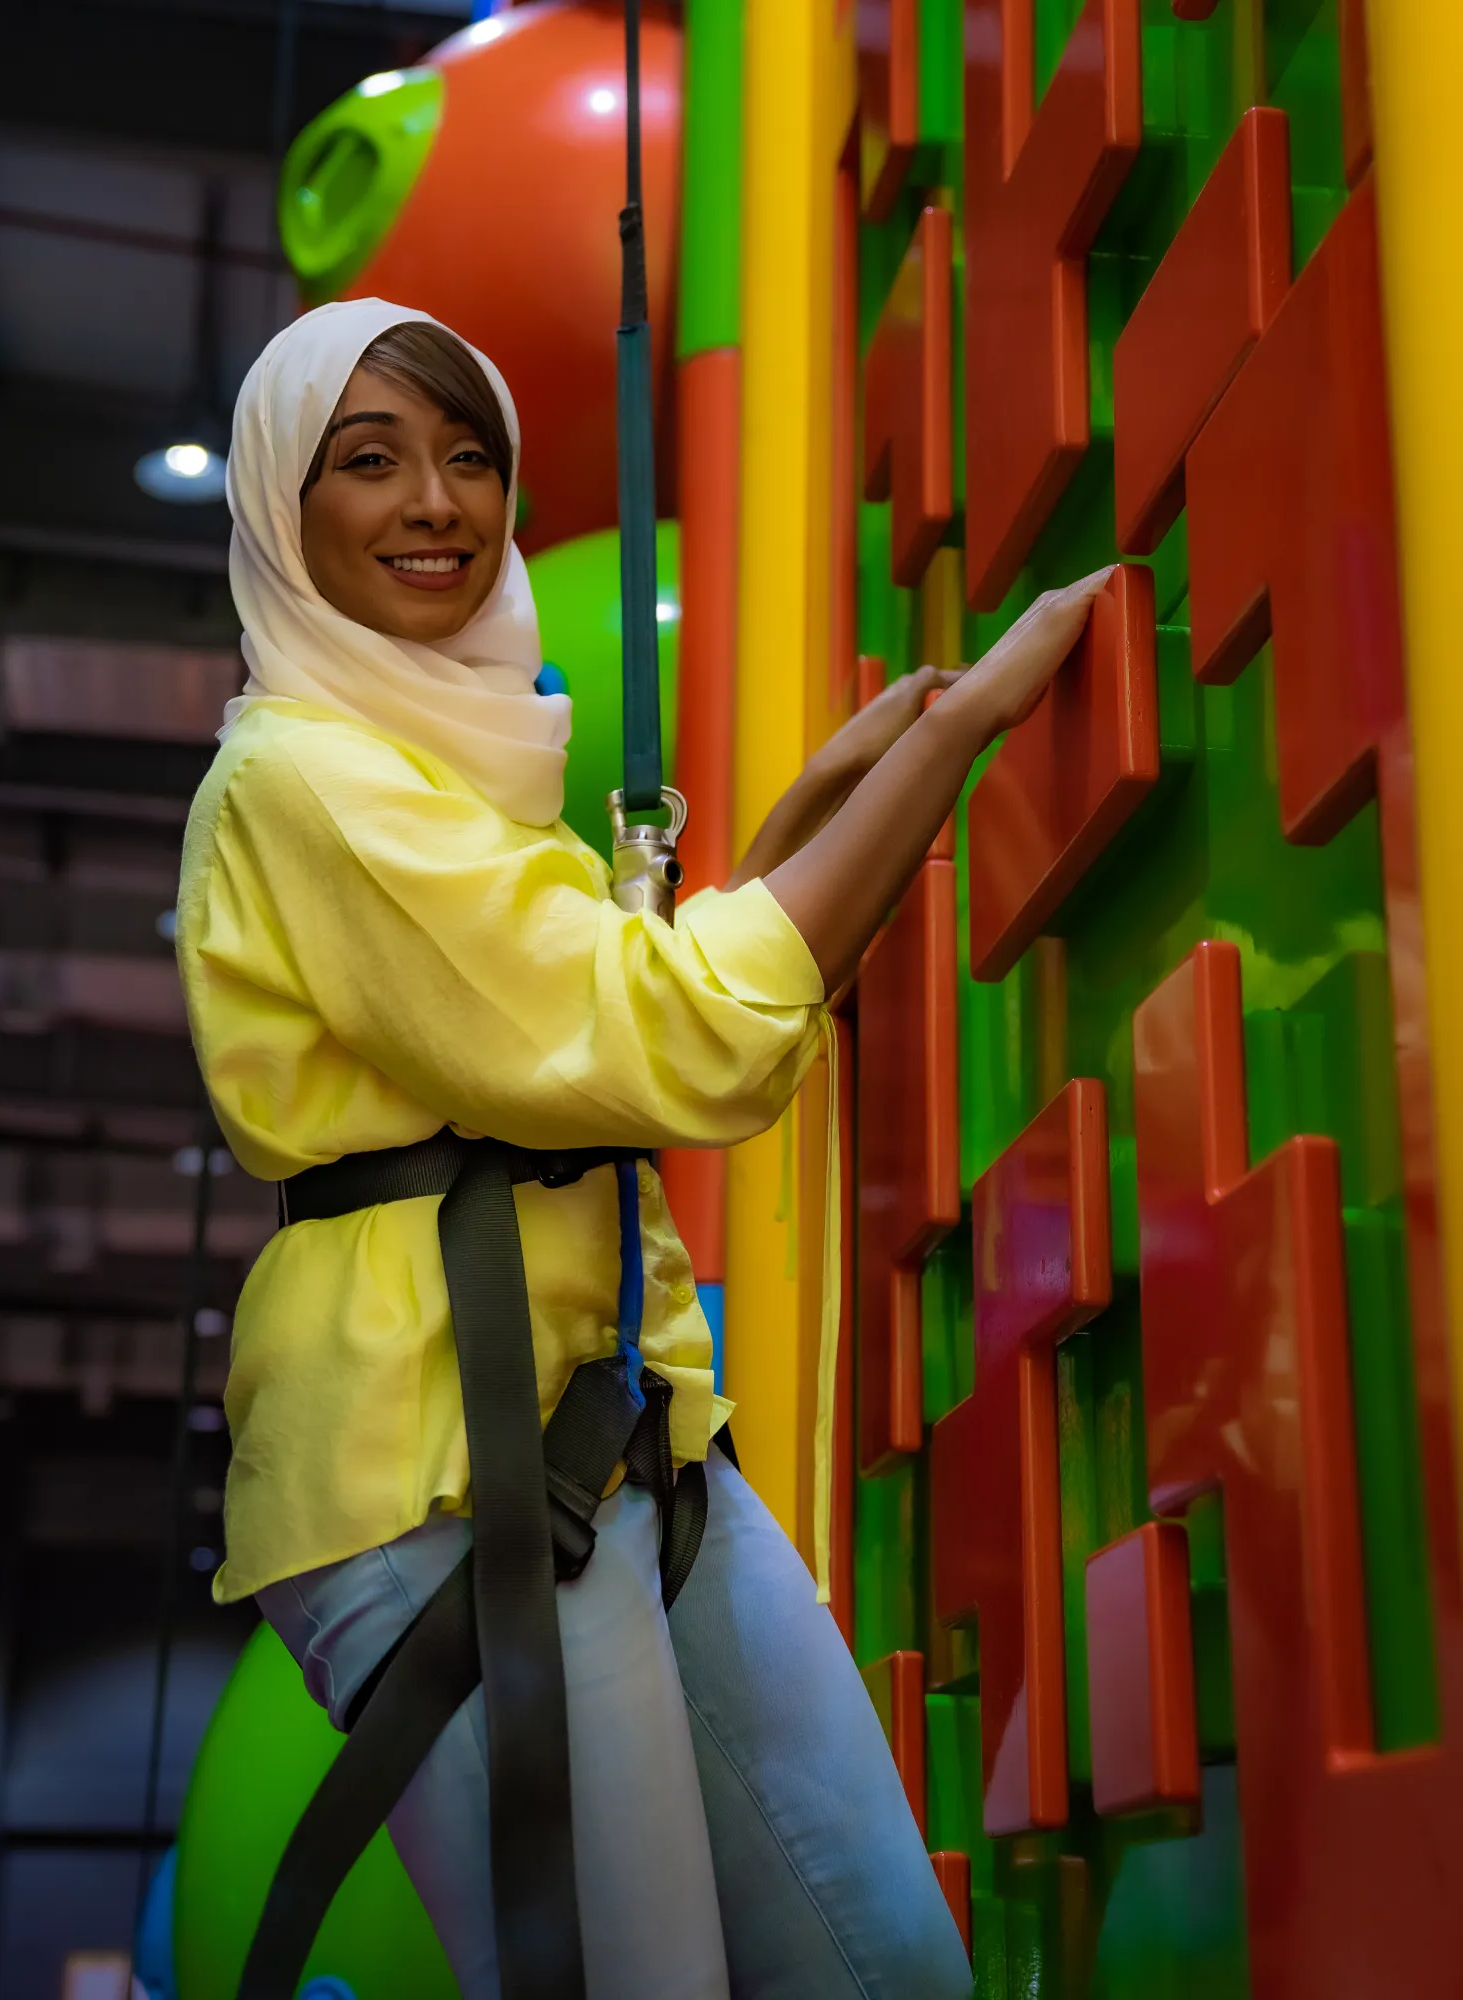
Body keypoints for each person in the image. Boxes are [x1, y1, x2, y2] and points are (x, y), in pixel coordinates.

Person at [176, 297, 1110, 2000]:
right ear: (278, 509)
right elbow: (654, 1038)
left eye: (471, 458)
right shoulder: (304, 777)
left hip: (627, 1422)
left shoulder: (454, 778)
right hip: (432, 1459)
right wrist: (960, 738)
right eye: (367, 462)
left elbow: (606, 1017)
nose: (437, 503)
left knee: (883, 1963)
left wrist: (805, 828)